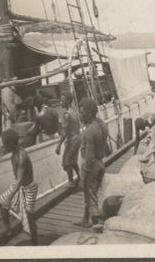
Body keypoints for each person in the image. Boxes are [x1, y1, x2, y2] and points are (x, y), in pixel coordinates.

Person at [0, 129, 38, 245]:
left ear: (11, 143)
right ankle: (8, 231)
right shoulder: (14, 153)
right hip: (19, 186)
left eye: (5, 144)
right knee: (1, 202)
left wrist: (9, 199)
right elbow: (17, 181)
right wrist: (7, 199)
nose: (4, 146)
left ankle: (36, 243)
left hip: (29, 188)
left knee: (29, 218)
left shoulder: (21, 155)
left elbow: (19, 180)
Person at [74, 98, 107, 228]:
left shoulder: (89, 131)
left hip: (91, 167)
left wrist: (85, 174)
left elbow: (89, 157)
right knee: (90, 195)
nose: (80, 115)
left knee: (91, 197)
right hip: (100, 164)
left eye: (82, 113)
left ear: (88, 113)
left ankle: (95, 224)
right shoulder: (102, 125)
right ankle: (85, 219)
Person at [55, 93, 81, 188]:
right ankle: (80, 176)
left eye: (62, 100)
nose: (60, 102)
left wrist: (58, 145)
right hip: (78, 138)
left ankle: (70, 182)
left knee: (66, 162)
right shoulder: (74, 111)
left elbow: (64, 132)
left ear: (67, 101)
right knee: (73, 160)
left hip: (72, 140)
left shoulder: (67, 115)